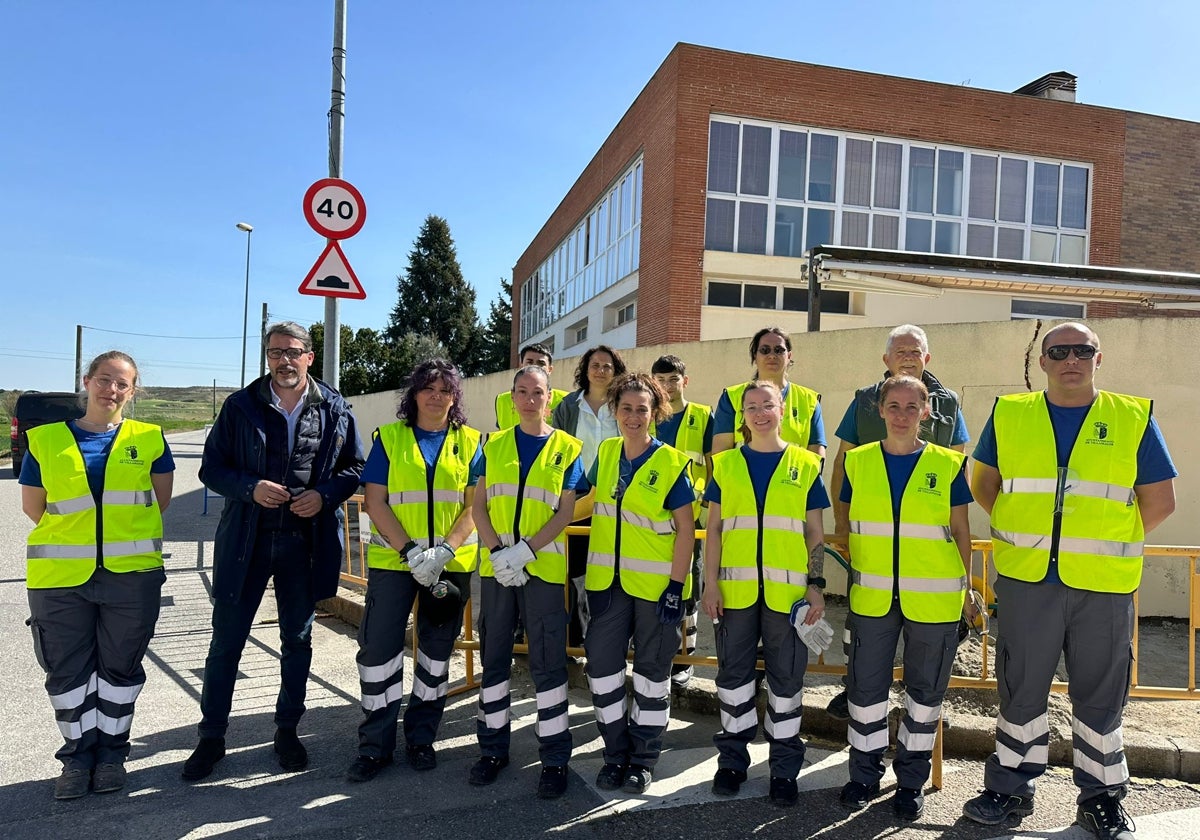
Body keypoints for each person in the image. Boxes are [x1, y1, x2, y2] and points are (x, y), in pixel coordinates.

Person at [962, 322, 1176, 840]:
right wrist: (1031, 539)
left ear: (1099, 359)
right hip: (1028, 580)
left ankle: (1101, 800)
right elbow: (984, 485)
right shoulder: (1011, 413)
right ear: (1043, 361)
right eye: (1059, 351)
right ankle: (1009, 788)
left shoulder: (1132, 417)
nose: (1071, 360)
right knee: (1021, 689)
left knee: (1101, 696)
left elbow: (1159, 501)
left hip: (1101, 585)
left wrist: (1100, 544)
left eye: (1083, 351)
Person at [182, 322, 365, 781]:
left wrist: (324, 496)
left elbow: (355, 467)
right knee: (226, 643)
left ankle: (287, 730)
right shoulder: (240, 406)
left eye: (293, 351)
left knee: (297, 642)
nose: (284, 359)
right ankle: (211, 739)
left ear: (309, 356)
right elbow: (212, 468)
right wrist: (249, 488)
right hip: (246, 540)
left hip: (304, 544)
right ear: (267, 357)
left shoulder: (335, 408)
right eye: (275, 351)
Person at [21, 351, 175, 800]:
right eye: (104, 380)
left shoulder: (149, 438)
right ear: (86, 382)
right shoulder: (45, 440)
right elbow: (34, 508)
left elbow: (158, 502)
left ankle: (111, 756)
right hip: (60, 578)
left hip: (131, 576)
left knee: (120, 670)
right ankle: (76, 757)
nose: (111, 389)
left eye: (122, 383)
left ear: (133, 391)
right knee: (66, 672)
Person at [836, 374, 976, 822]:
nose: (901, 415)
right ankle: (863, 775)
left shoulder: (948, 464)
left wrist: (968, 588)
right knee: (865, 692)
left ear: (927, 412)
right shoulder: (857, 463)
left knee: (925, 695)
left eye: (911, 407)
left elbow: (960, 532)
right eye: (893, 406)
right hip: (873, 598)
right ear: (880, 411)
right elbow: (849, 522)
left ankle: (910, 781)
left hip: (933, 601)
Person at [345, 359, 483, 782]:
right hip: (394, 563)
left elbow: (476, 505)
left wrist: (443, 551)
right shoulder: (390, 438)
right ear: (414, 394)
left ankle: (421, 739)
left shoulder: (474, 441)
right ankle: (375, 747)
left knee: (436, 656)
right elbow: (375, 500)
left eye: (445, 389)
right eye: (428, 387)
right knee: (378, 654)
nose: (436, 395)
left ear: (455, 396)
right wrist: (410, 552)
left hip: (449, 566)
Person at [826, 323, 970, 721]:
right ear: (885, 359)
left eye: (915, 351)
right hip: (874, 540)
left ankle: (913, 710)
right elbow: (843, 463)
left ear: (927, 359)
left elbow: (958, 464)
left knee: (924, 649)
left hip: (926, 550)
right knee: (864, 621)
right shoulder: (865, 400)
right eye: (900, 351)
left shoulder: (949, 403)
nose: (908, 356)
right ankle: (854, 689)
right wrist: (843, 525)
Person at [701, 379, 831, 807]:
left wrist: (816, 586)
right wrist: (709, 582)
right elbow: (715, 529)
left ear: (782, 409)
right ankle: (732, 763)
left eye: (767, 405)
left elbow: (815, 532)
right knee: (734, 682)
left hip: (787, 596)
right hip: (735, 594)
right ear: (742, 416)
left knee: (787, 683)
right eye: (751, 406)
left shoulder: (805, 464)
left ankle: (783, 771)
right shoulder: (724, 465)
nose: (760, 413)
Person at [470, 365, 589, 799]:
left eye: (536, 392)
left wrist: (526, 551)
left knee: (547, 663)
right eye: (521, 391)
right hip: (499, 570)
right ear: (512, 397)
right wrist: (500, 553)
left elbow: (564, 511)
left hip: (541, 570)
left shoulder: (569, 448)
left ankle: (555, 758)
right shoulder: (493, 444)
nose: (528, 399)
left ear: (550, 398)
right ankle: (492, 751)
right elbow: (478, 506)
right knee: (494, 658)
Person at [583, 373, 695, 794]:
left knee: (651, 676)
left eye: (642, 409)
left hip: (656, 591)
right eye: (626, 408)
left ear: (656, 413)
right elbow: (580, 499)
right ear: (614, 410)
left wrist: (676, 587)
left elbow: (686, 530)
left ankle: (643, 758)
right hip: (606, 587)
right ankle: (614, 754)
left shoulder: (670, 463)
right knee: (604, 672)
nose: (633, 416)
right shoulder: (607, 452)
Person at [551, 344, 627, 645]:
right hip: (577, 498)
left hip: (615, 499)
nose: (600, 370)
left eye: (608, 366)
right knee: (573, 572)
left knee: (612, 573)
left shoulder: (623, 405)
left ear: (616, 371)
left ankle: (612, 640)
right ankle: (574, 642)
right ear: (585, 370)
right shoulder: (569, 407)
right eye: (595, 365)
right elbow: (555, 452)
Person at [650, 354, 714, 689]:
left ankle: (684, 659)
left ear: (684, 381)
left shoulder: (702, 416)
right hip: (651, 518)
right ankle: (656, 650)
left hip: (691, 516)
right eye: (660, 380)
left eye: (673, 379)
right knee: (654, 581)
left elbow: (714, 468)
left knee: (689, 584)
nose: (667, 386)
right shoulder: (647, 418)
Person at [711, 327, 826, 458]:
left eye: (779, 350)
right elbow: (720, 455)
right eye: (765, 350)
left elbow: (816, 458)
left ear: (789, 356)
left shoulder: (809, 400)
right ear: (755, 355)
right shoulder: (731, 397)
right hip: (743, 478)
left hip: (792, 478)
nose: (772, 355)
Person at [495, 343, 569, 429]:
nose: (535, 367)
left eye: (541, 363)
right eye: (529, 362)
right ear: (521, 366)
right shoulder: (502, 400)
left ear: (550, 369)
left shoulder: (566, 401)